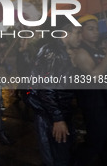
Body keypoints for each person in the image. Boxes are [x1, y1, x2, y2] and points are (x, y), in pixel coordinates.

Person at [28, 22, 82, 166]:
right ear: (66, 33)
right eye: (78, 33)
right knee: (57, 158)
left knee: (65, 154)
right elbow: (46, 87)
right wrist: (57, 118)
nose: (80, 37)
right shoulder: (52, 52)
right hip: (49, 115)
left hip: (58, 112)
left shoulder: (63, 51)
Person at [74, 14, 107, 166]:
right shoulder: (80, 52)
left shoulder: (98, 48)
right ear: (81, 33)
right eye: (90, 29)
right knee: (95, 142)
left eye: (96, 29)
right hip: (94, 104)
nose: (95, 32)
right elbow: (95, 75)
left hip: (105, 101)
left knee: (106, 140)